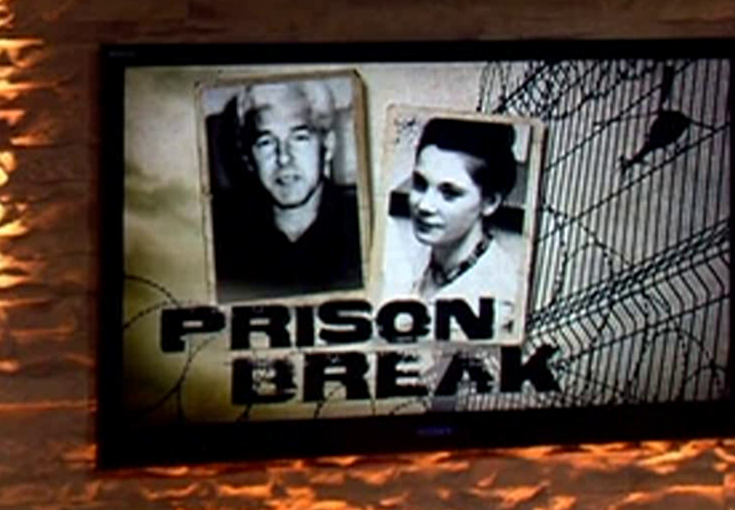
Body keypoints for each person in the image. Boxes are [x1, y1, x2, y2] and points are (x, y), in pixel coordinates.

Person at [208, 78, 365, 302]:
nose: (283, 157)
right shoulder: (223, 239)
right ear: (249, 157)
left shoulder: (362, 226)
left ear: (328, 146)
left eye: (299, 138)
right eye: (266, 142)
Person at [386, 117, 526, 335]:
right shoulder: (404, 254)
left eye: (449, 193)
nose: (424, 205)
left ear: (489, 202)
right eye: (420, 183)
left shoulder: (499, 298)